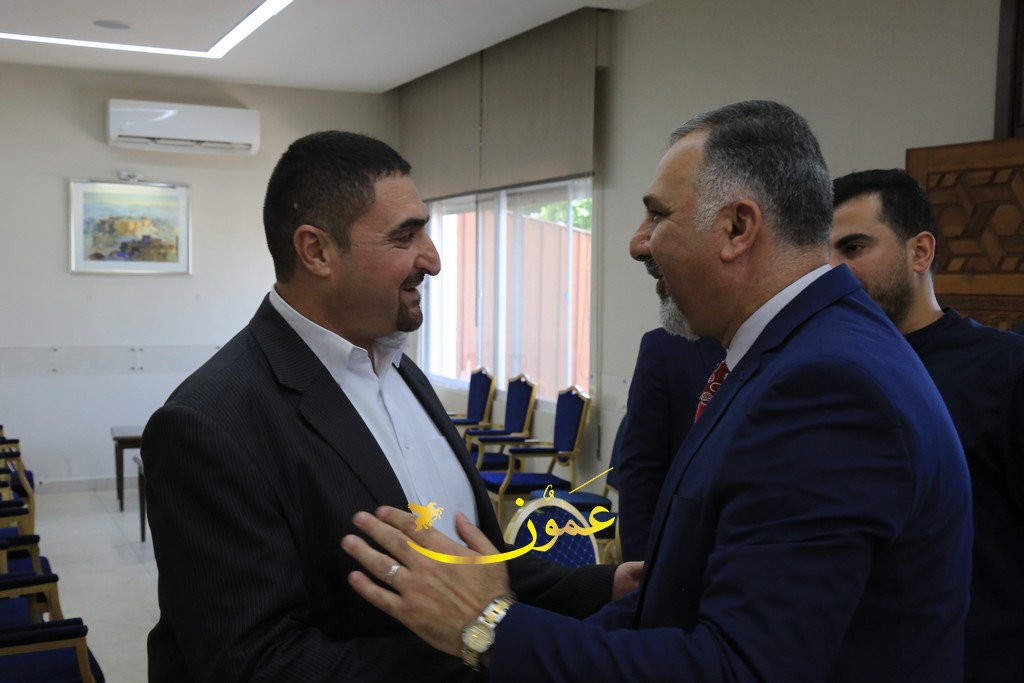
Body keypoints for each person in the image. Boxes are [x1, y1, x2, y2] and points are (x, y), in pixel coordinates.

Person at [340, 100, 974, 681]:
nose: (638, 242)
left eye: (658, 215)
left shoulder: (827, 385)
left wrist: (487, 629)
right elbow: (683, 610)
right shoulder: (792, 353)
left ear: (737, 228)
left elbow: (738, 669)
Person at [141, 131, 634, 682]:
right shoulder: (209, 425)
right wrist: (479, 646)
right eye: (405, 236)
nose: (433, 259)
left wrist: (607, 586)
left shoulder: (399, 370)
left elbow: (470, 566)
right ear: (317, 251)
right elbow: (254, 663)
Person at [830, 168, 1024, 682]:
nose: (832, 270)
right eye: (822, 254)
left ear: (919, 252)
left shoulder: (1006, 372)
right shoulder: (824, 373)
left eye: (853, 248)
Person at [618, 328, 723, 560]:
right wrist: (643, 564)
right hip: (690, 555)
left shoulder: (794, 341)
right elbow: (641, 468)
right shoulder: (667, 346)